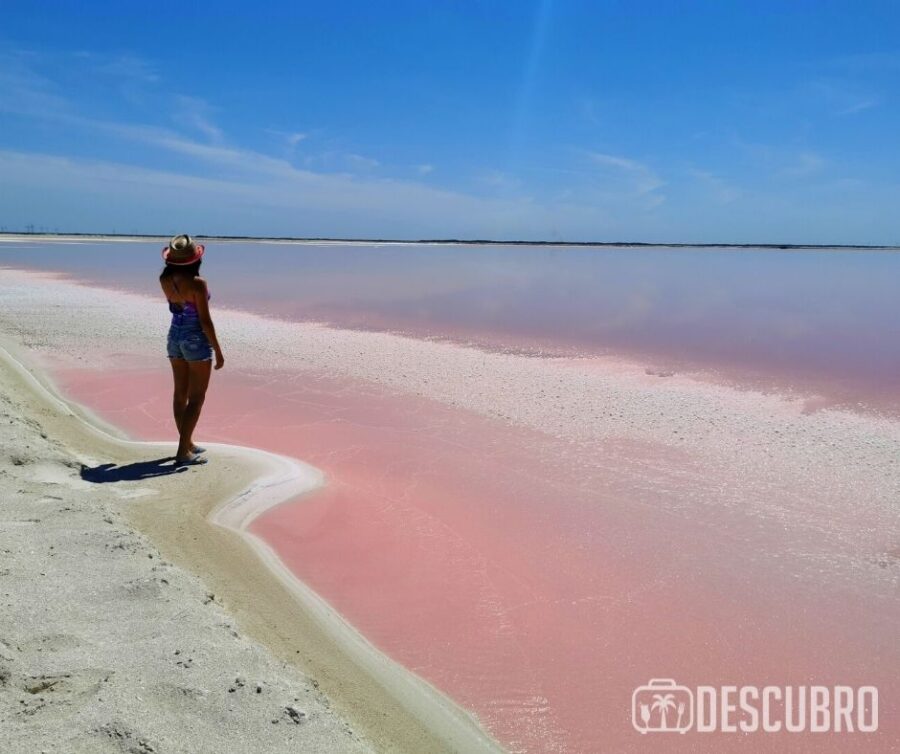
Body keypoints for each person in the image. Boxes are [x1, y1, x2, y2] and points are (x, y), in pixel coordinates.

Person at [159, 234, 224, 465]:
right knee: (196, 398)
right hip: (195, 339)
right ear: (195, 260)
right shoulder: (198, 283)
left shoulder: (164, 279)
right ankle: (182, 453)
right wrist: (218, 349)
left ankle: (187, 443)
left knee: (180, 394)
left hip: (174, 336)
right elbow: (205, 321)